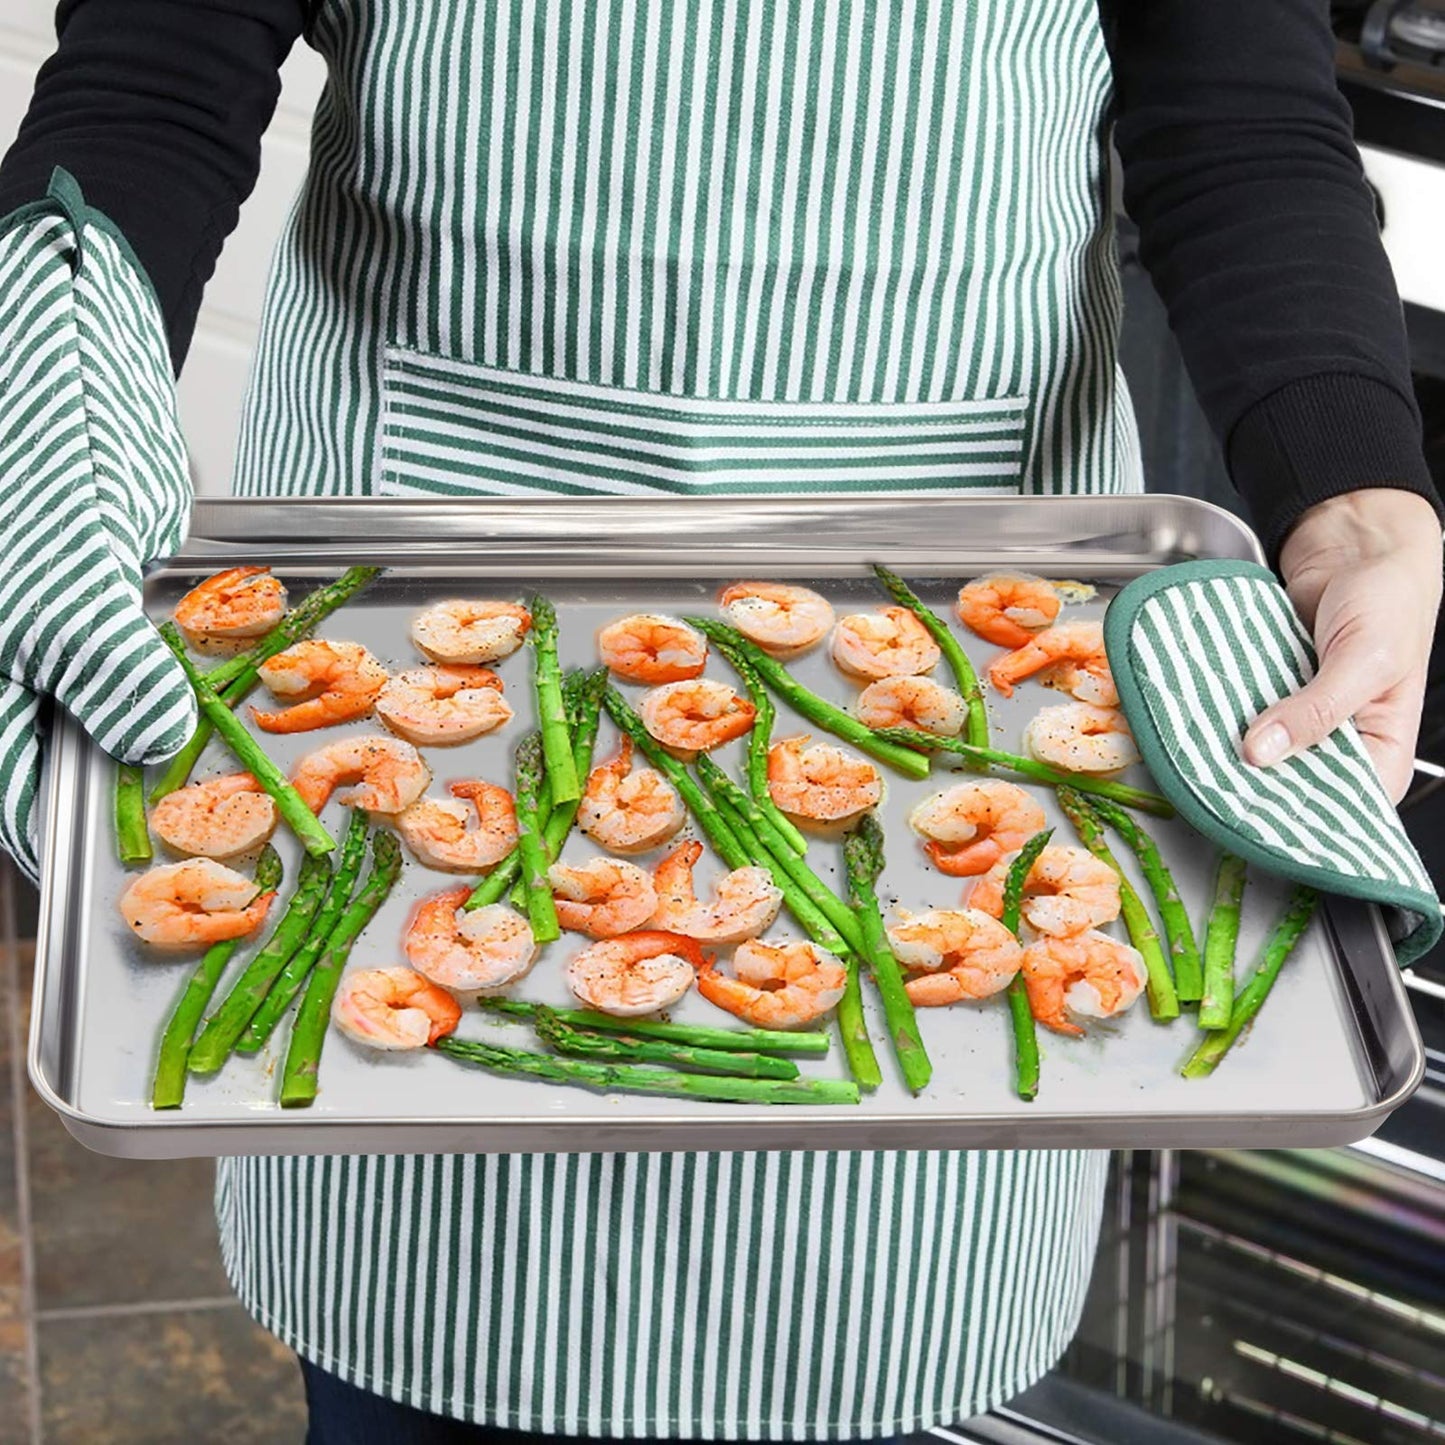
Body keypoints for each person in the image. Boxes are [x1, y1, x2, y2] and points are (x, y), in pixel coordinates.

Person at [1, 0, 1440, 1439]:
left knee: (876, 1349)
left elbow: (1238, 124)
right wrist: (47, 379)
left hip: (949, 586)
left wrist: (1356, 492)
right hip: (432, 546)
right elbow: (154, 76)